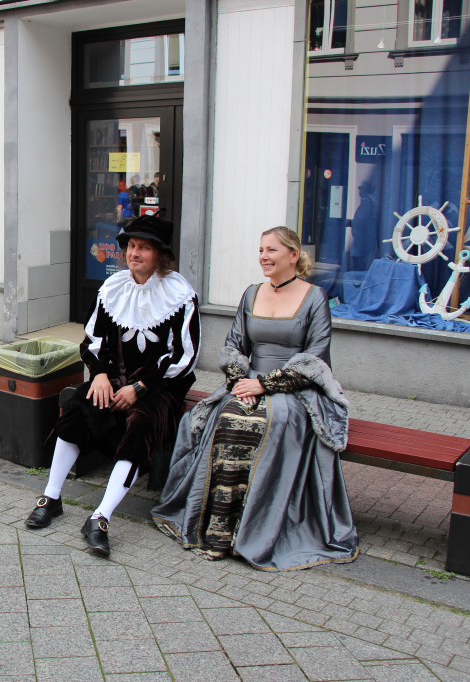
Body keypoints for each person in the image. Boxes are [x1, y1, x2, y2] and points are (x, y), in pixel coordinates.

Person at [152, 226, 358, 570]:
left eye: (271, 250)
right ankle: (218, 528)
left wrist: (264, 385)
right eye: (261, 250)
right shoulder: (251, 294)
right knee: (227, 418)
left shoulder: (315, 297)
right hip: (247, 383)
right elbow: (233, 346)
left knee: (268, 423)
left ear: (293, 255)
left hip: (294, 390)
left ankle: (250, 528)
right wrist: (240, 382)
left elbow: (316, 358)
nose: (263, 256)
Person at [24, 214, 200, 557]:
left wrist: (141, 387)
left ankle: (100, 517)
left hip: (161, 386)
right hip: (114, 378)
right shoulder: (113, 288)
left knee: (140, 425)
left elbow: (185, 355)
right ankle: (52, 497)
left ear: (160, 255)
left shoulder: (180, 295)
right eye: (131, 246)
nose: (134, 253)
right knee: (77, 410)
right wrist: (100, 374)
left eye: (144, 248)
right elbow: (93, 340)